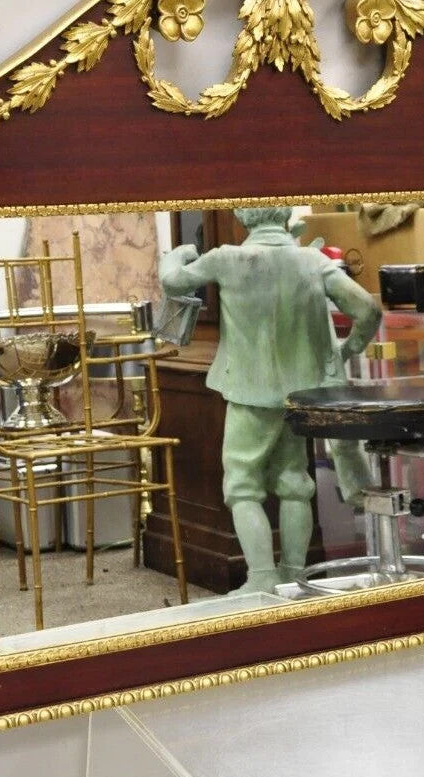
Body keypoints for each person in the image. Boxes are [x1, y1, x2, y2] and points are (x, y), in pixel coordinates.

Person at [160, 207, 381, 592]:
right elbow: (369, 309)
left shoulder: (226, 259)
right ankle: (294, 575)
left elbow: (174, 281)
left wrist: (178, 253)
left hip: (249, 391)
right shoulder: (313, 261)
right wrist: (347, 350)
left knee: (243, 485)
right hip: (303, 392)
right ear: (284, 217)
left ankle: (261, 580)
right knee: (294, 481)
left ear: (245, 216)